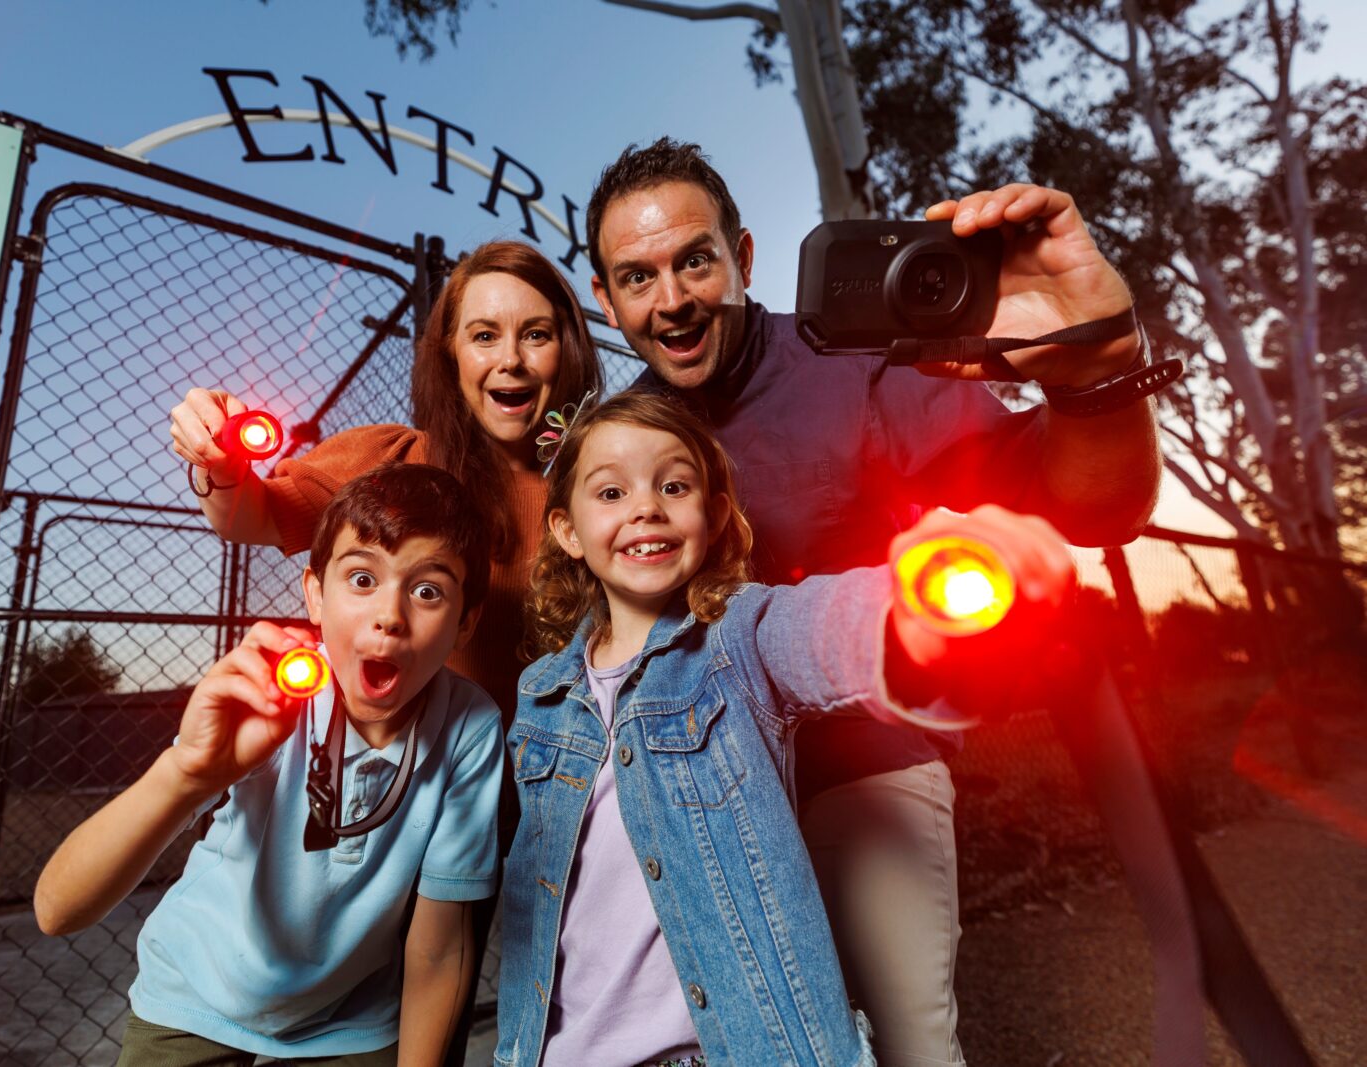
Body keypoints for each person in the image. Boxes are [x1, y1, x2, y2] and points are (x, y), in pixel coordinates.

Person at [583, 138, 1163, 1066]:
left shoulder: (856, 363)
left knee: (909, 1048)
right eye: (636, 277)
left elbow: (1096, 507)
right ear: (607, 301)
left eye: (695, 259)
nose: (672, 299)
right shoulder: (623, 441)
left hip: (864, 767)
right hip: (706, 795)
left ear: (743, 257)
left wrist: (1095, 363)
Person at [495, 390, 1074, 1067]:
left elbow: (826, 628)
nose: (645, 506)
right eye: (612, 491)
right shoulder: (540, 697)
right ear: (567, 530)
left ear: (712, 516)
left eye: (673, 484)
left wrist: (921, 607)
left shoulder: (737, 638)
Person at [35, 463, 504, 1066]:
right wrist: (188, 776)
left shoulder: (471, 727)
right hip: (196, 995)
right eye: (362, 578)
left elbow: (439, 950)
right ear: (315, 594)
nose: (390, 614)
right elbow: (57, 911)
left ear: (466, 621)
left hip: (349, 1018)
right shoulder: (273, 695)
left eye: (427, 590)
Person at [169, 239, 604, 720]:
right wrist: (218, 460)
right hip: (413, 772)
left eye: (537, 335)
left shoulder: (591, 493)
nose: (510, 360)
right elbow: (248, 518)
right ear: (450, 354)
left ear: (566, 350)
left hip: (552, 779)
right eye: (484, 336)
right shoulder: (395, 458)